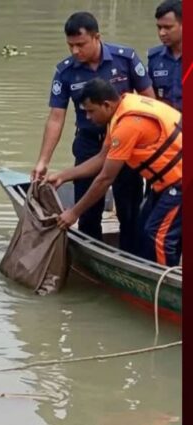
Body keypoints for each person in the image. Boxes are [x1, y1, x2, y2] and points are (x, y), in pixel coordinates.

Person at [31, 12, 155, 255]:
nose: (75, 51)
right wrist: (43, 161)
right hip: (89, 144)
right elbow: (56, 117)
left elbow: (149, 101)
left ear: (97, 37)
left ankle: (129, 260)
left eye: (81, 44)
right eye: (70, 45)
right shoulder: (65, 71)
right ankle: (93, 259)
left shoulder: (126, 59)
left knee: (129, 211)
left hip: (126, 145)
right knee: (88, 212)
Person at [47, 78, 182, 267]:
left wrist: (74, 213)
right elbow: (102, 158)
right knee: (142, 229)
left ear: (106, 105)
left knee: (158, 236)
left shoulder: (128, 125)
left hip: (180, 184)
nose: (88, 117)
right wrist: (63, 176)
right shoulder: (122, 110)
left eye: (91, 111)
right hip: (168, 183)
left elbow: (105, 179)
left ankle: (165, 281)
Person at [148, 0, 182, 111]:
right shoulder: (154, 58)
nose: (162, 33)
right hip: (166, 118)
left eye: (168, 27)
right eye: (159, 27)